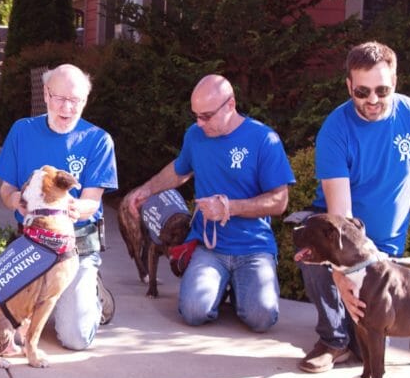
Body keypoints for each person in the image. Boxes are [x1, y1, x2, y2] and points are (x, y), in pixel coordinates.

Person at [297, 41, 410, 373]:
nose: (372, 100)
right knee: (312, 245)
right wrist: (342, 274)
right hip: (343, 236)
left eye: (382, 90)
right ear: (349, 86)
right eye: (362, 92)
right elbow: (342, 221)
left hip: (388, 245)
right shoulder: (335, 130)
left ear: (394, 82)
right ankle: (333, 339)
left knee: (370, 336)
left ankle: (352, 339)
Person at [126, 74, 294, 333]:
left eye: (206, 116)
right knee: (193, 312)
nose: (199, 123)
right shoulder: (195, 135)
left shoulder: (263, 139)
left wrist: (230, 208)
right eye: (195, 115)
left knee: (262, 318)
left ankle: (239, 288)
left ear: (230, 104)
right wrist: (147, 189)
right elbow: (180, 170)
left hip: (253, 247)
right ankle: (224, 285)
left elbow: (280, 200)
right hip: (209, 246)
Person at [0, 65, 118, 350]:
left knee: (75, 338)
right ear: (46, 94)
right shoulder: (23, 131)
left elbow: (92, 202)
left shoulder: (98, 140)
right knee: (3, 330)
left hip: (76, 244)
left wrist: (71, 207)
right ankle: (54, 294)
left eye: (76, 101)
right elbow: (6, 188)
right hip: (31, 241)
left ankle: (89, 289)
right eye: (61, 98)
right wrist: (16, 201)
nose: (68, 108)